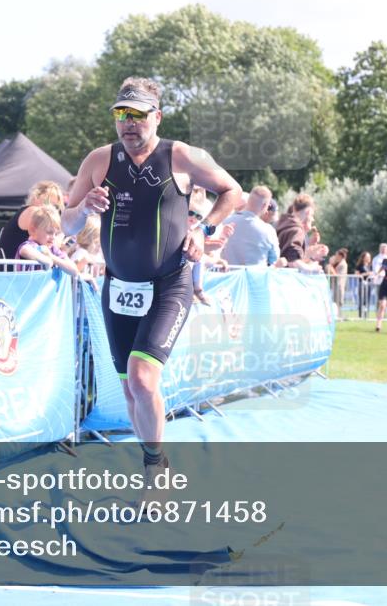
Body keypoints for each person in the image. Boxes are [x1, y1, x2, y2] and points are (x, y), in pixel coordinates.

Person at [61, 77, 241, 476]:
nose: (128, 123)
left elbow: (232, 191)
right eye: (121, 115)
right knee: (129, 387)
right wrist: (84, 209)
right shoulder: (98, 160)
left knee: (143, 380)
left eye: (138, 116)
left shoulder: (180, 156)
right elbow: (67, 224)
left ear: (156, 117)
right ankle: (155, 457)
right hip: (118, 287)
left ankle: (154, 468)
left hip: (168, 284)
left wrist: (203, 229)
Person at [0, 180, 65, 260]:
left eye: (56, 206)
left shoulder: (29, 211)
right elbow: (51, 246)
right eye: (47, 202)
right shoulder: (33, 211)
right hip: (13, 268)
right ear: (36, 197)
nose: (50, 208)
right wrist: (62, 235)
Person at [221, 185, 280, 266]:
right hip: (255, 278)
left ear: (248, 200)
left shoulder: (224, 222)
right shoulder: (268, 231)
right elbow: (274, 260)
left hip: (226, 277)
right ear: (264, 205)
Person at [15, 206, 81, 276]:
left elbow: (74, 271)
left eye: (56, 234)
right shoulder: (31, 245)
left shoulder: (52, 249)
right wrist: (45, 260)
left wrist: (51, 257)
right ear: (33, 230)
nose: (53, 237)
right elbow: (24, 250)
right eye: (49, 232)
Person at [276, 194, 322, 272]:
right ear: (308, 212)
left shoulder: (283, 225)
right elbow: (293, 262)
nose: (313, 219)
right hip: (287, 280)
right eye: (312, 215)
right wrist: (312, 268)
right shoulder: (297, 230)